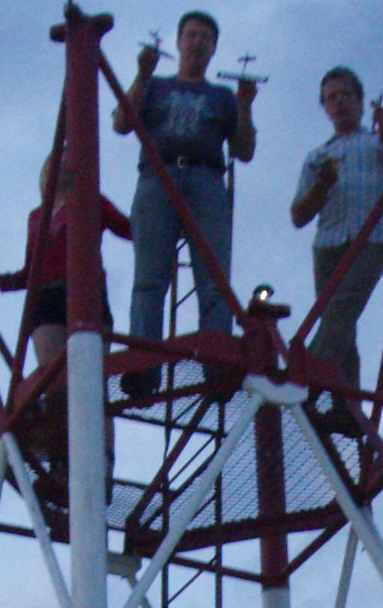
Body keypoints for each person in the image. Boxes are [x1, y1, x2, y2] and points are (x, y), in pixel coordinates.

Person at [114, 9, 257, 380]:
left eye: (205, 38)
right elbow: (120, 122)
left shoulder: (223, 96)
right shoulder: (155, 85)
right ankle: (143, 369)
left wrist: (244, 105)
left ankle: (218, 369)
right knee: (149, 278)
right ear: (178, 42)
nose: (197, 43)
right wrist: (142, 74)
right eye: (191, 35)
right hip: (156, 176)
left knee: (214, 280)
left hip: (207, 179)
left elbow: (243, 151)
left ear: (213, 49)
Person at [289, 66, 383, 402]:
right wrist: (322, 185)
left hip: (372, 238)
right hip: (329, 243)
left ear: (361, 102)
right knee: (341, 324)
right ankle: (346, 404)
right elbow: (298, 215)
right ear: (324, 107)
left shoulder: (379, 144)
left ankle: (303, 378)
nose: (339, 103)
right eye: (331, 98)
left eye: (345, 95)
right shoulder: (317, 156)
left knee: (341, 310)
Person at [21, 150, 133, 372]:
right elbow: (29, 272)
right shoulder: (36, 217)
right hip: (47, 298)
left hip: (87, 292)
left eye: (67, 158)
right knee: (54, 378)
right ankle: (52, 405)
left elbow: (130, 230)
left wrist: (169, 223)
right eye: (56, 159)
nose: (62, 163)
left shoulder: (92, 202)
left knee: (90, 375)